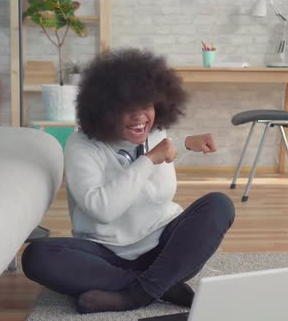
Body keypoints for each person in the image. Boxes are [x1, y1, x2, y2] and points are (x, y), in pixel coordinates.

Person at [21, 48, 236, 314]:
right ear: (104, 110)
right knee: (36, 257)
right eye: (127, 109)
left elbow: (156, 168)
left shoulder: (155, 132)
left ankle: (133, 295)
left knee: (219, 205)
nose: (140, 118)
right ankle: (161, 286)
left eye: (146, 106)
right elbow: (102, 209)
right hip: (105, 254)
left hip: (164, 247)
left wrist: (186, 144)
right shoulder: (81, 146)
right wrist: (147, 160)